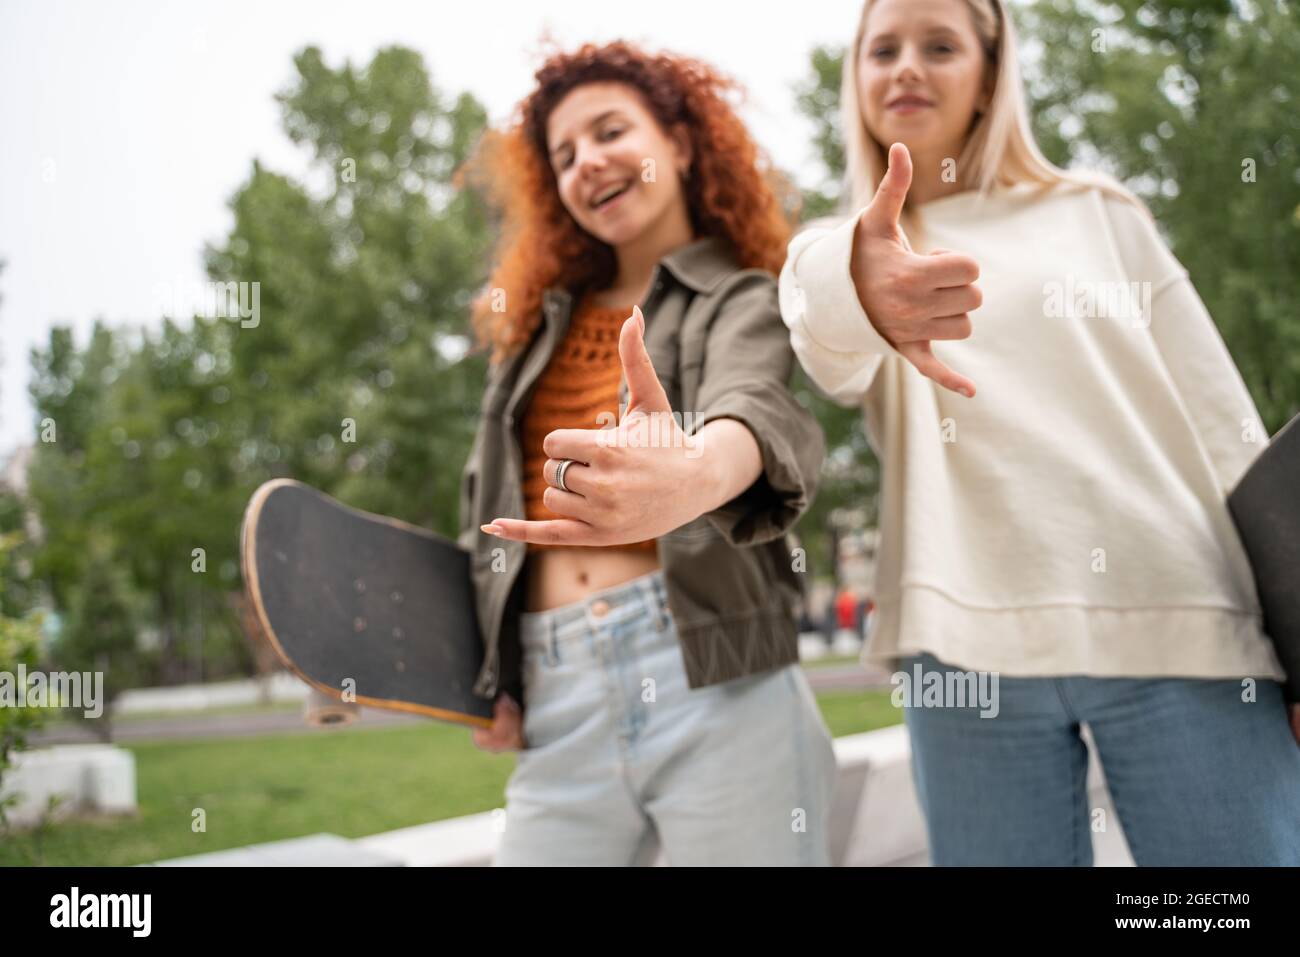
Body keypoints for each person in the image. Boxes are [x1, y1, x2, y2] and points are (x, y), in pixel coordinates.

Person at [778, 0, 1300, 865]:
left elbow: (1228, 430)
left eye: (939, 45)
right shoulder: (845, 252)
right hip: (961, 654)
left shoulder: (1099, 212)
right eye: (883, 50)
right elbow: (824, 338)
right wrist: (862, 283)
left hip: (1178, 611)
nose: (906, 66)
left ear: (989, 75)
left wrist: (1296, 626)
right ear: (857, 80)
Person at [457, 40, 836, 865]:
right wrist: (495, 674)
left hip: (717, 679)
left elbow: (757, 409)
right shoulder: (530, 335)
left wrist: (698, 471)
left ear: (682, 144)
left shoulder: (739, 296)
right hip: (556, 695)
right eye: (565, 154)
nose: (588, 162)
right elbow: (480, 523)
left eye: (610, 131)